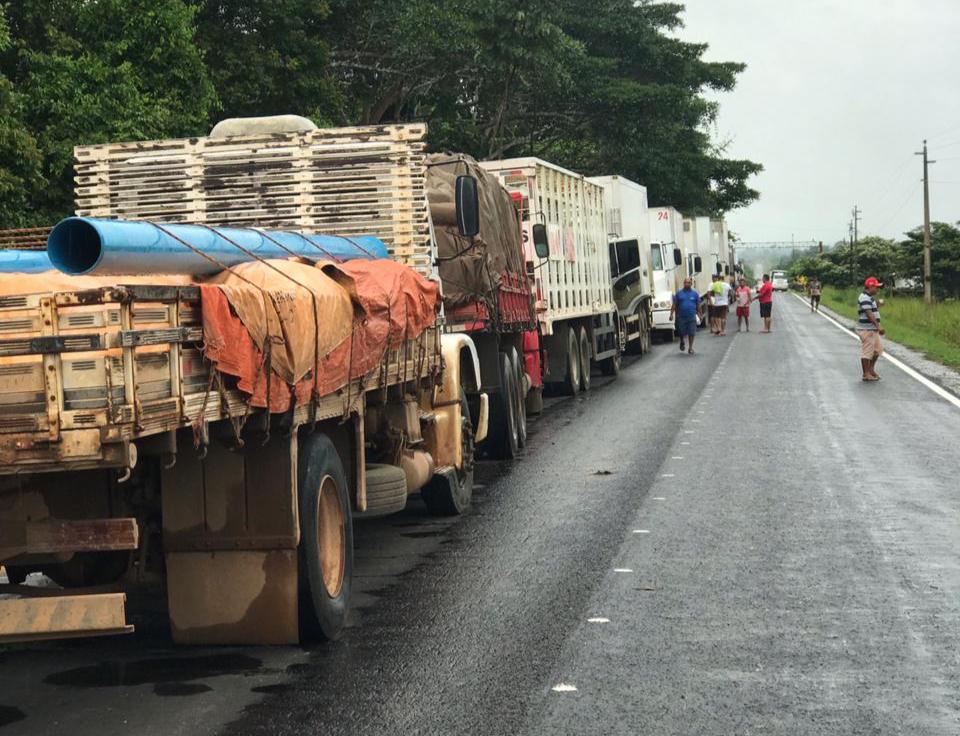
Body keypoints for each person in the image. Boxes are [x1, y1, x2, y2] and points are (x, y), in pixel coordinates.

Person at [858, 277, 885, 381]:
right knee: (868, 351)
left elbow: (871, 309)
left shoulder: (869, 297)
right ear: (870, 286)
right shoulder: (864, 297)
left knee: (877, 350)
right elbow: (869, 314)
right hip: (867, 328)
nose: (877, 289)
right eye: (876, 287)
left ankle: (870, 370)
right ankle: (866, 373)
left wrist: (878, 304)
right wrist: (879, 326)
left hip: (872, 328)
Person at [670, 277, 700, 355]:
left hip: (691, 316)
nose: (687, 284)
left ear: (691, 284)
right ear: (683, 284)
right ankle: (682, 340)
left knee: (691, 332)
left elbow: (698, 305)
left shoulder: (695, 294)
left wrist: (699, 314)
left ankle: (690, 348)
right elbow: (674, 304)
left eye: (688, 283)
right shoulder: (679, 293)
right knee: (681, 332)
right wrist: (671, 314)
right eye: (685, 282)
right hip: (681, 316)